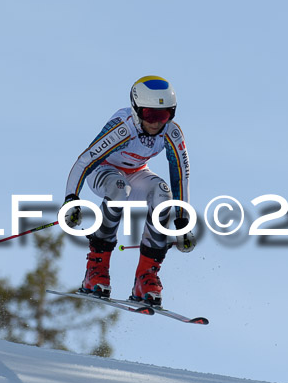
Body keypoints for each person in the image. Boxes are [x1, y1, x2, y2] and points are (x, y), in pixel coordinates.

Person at [61, 75, 195, 306]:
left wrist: (183, 223)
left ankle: (146, 276)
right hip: (103, 171)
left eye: (164, 115)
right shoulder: (123, 128)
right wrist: (71, 199)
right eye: (149, 115)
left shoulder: (171, 132)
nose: (156, 123)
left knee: (163, 193)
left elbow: (180, 174)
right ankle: (96, 268)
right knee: (119, 188)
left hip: (137, 171)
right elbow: (85, 161)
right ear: (136, 109)